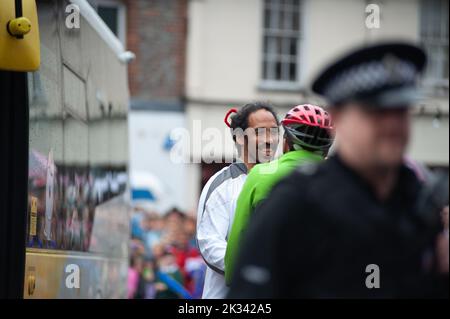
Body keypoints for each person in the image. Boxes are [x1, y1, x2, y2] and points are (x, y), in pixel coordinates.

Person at [228, 42, 449, 298]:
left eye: (400, 111)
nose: (392, 124)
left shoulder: (421, 202)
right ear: (339, 119)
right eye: (374, 111)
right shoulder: (295, 202)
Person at [224, 104, 334, 284]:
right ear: (326, 148)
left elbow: (238, 241)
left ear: (286, 142)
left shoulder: (260, 175)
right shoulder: (342, 182)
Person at [196, 102, 279, 298]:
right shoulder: (223, 185)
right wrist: (255, 268)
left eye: (274, 132)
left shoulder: (284, 182)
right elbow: (209, 244)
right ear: (240, 138)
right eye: (260, 132)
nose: (269, 140)